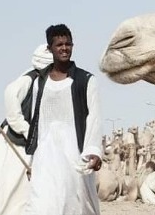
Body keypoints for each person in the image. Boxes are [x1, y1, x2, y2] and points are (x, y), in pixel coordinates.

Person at [23, 24, 103, 215]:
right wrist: (32, 158)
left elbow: (94, 117)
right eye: (59, 44)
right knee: (41, 205)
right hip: (45, 158)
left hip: (74, 157)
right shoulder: (39, 82)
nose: (64, 48)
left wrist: (93, 151)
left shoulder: (86, 81)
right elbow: (37, 122)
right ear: (50, 48)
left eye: (68, 44)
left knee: (73, 205)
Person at [0, 44, 53, 215]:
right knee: (5, 193)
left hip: (29, 146)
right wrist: (28, 131)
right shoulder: (28, 79)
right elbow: (11, 102)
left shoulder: (45, 83)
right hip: (13, 146)